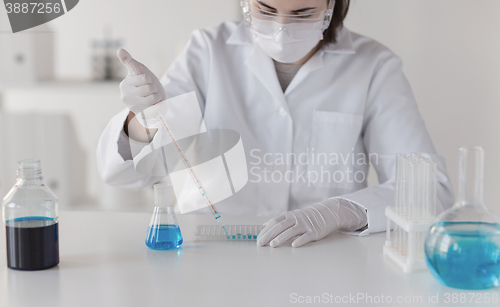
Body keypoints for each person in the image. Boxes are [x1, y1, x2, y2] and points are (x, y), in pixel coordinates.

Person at [97, 0, 454, 248]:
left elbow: (430, 190)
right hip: (220, 250)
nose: (282, 30)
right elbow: (129, 175)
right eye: (266, 10)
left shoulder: (374, 66)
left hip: (327, 252)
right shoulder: (208, 50)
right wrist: (142, 122)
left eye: (301, 14)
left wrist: (342, 211)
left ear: (331, 8)